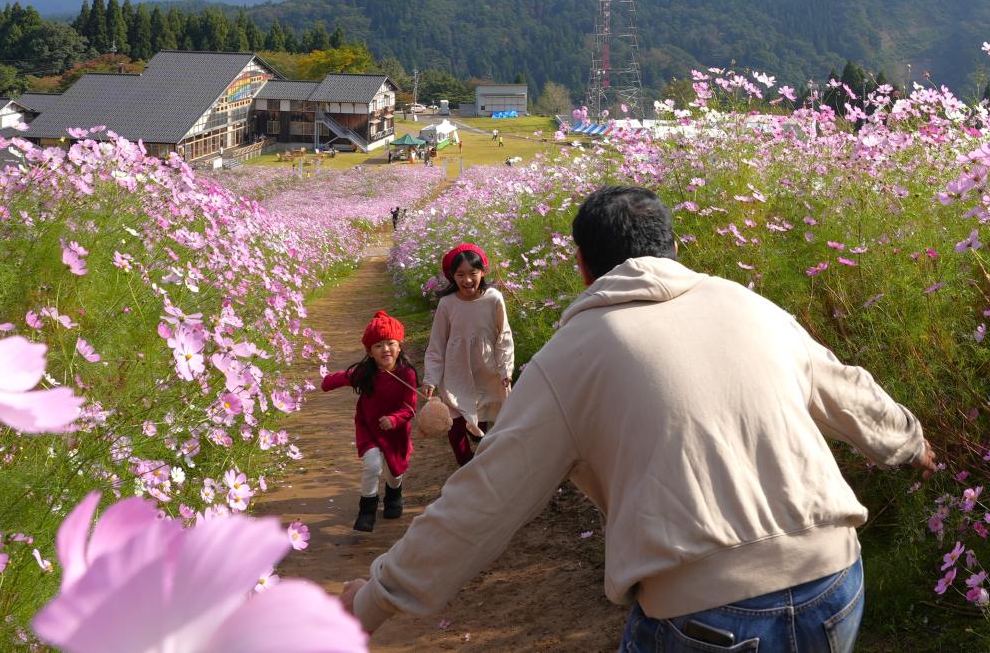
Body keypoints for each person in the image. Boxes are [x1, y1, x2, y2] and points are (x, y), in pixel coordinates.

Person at [342, 186, 935, 651]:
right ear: (674, 247)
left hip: (704, 614)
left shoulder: (570, 358)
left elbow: (482, 498)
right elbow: (847, 389)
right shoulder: (749, 305)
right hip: (836, 582)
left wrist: (371, 604)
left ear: (581, 266)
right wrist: (909, 443)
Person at [320, 310, 419, 532]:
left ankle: (394, 494)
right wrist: (326, 382)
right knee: (372, 465)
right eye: (378, 345)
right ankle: (367, 510)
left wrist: (394, 420)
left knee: (395, 471)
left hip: (396, 431)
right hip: (369, 427)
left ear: (399, 346)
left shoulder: (407, 374)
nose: (385, 349)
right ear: (369, 352)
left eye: (390, 343)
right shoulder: (366, 372)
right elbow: (345, 377)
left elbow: (410, 408)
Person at [420, 243, 514, 468]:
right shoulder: (447, 304)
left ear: (483, 271)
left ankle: (481, 462)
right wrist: (431, 378)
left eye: (473, 273)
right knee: (456, 424)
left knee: (481, 423)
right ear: (452, 276)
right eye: (460, 275)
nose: (467, 280)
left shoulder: (493, 299)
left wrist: (505, 370)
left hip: (487, 370)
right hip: (456, 371)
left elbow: (504, 337)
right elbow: (437, 344)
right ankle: (466, 466)